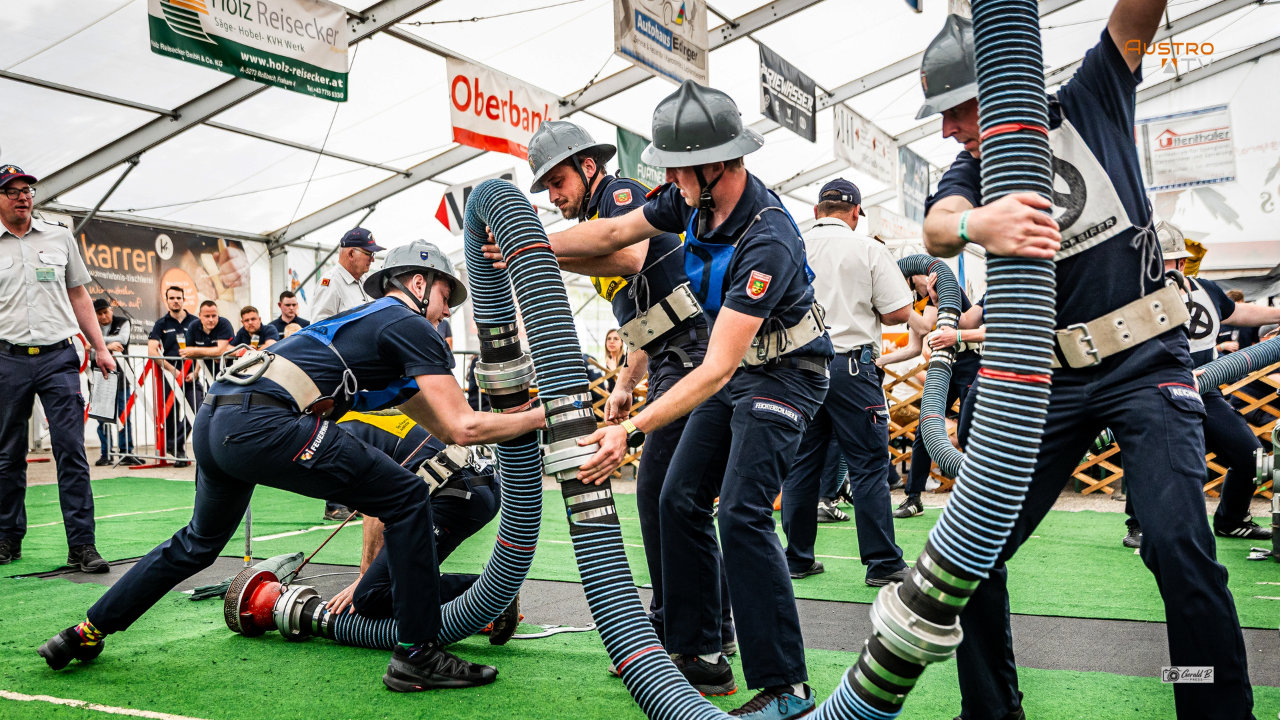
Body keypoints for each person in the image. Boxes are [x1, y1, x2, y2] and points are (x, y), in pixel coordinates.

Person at [917, 7, 1253, 718]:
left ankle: (1214, 707)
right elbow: (936, 228)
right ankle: (991, 710)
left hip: (1148, 364)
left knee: (1176, 545)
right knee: (969, 552)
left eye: (956, 108)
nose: (947, 128)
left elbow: (1141, 12)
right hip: (1050, 381)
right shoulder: (969, 167)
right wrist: (980, 223)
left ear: (1004, 82)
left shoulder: (1095, 91)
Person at [38, 239, 546, 691]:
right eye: (443, 298)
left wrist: (492, 433)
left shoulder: (365, 325)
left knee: (197, 542)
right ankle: (416, 655)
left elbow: (444, 427)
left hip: (217, 419)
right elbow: (464, 427)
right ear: (418, 283)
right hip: (265, 421)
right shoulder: (411, 324)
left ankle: (85, 632)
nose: (444, 314)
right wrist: (544, 415)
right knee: (407, 497)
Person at [544, 81, 833, 720]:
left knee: (744, 514)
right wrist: (530, 246)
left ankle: (787, 689)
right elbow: (615, 231)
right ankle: (698, 651)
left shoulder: (768, 239)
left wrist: (632, 426)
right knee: (675, 497)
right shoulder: (691, 201)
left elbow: (717, 366)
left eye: (678, 167)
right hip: (733, 371)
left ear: (716, 163)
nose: (668, 180)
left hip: (786, 375)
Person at [519, 118, 735, 682]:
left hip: (692, 353)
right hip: (671, 351)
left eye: (558, 180)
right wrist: (622, 381)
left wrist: (536, 251)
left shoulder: (618, 197)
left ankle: (688, 640)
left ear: (589, 167)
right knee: (669, 498)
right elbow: (649, 311)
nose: (553, 194)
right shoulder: (592, 221)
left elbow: (634, 258)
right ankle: (701, 629)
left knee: (670, 498)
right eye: (544, 189)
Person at [779, 178, 912, 587]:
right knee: (869, 465)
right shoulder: (868, 247)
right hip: (851, 367)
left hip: (798, 365)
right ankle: (882, 563)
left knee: (802, 465)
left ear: (818, 210)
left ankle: (797, 558)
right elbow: (898, 313)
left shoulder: (792, 244)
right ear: (855, 213)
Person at [1121, 221, 1277, 548]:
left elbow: (1240, 312)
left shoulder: (1206, 289)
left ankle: (1233, 521)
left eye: (1166, 260)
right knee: (1149, 456)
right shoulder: (1128, 293)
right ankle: (1139, 526)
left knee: (1249, 454)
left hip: (1205, 390)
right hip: (1154, 392)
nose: (1158, 267)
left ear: (1181, 262)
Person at [321, 410, 521, 645]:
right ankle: (480, 605)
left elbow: (376, 511)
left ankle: (493, 594)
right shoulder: (360, 417)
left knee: (370, 595)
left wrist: (364, 578)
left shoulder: (338, 437)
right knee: (409, 577)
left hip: (454, 494)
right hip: (481, 488)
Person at [0, 165, 115, 573]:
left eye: (27, 189)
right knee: (7, 454)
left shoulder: (59, 236)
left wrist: (99, 347)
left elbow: (79, 294)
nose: (22, 196)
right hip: (6, 359)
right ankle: (7, 539)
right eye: (11, 191)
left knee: (71, 451)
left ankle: (82, 546)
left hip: (58, 358)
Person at [879, 271, 983, 519]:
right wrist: (880, 360)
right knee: (925, 430)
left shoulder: (945, 285)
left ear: (913, 274)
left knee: (969, 430)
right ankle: (913, 497)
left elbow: (941, 328)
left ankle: (977, 497)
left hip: (969, 362)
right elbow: (917, 347)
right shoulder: (916, 301)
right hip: (944, 367)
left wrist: (933, 306)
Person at [312, 228, 383, 520]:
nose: (371, 259)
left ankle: (349, 497)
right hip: (339, 374)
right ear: (350, 252)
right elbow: (319, 326)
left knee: (355, 436)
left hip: (355, 373)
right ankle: (334, 502)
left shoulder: (359, 283)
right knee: (338, 435)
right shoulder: (332, 282)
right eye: (368, 253)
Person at [147, 285, 199, 467]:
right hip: (171, 375)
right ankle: (178, 451)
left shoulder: (195, 322)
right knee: (169, 415)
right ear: (167, 300)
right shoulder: (161, 324)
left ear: (184, 299)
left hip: (192, 374)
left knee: (197, 409)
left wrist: (196, 371)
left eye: (178, 298)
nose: (175, 301)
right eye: (172, 298)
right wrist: (172, 370)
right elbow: (152, 350)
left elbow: (201, 347)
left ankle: (175, 443)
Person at [92, 299, 139, 466]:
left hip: (121, 377)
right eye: (99, 313)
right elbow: (86, 347)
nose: (104, 316)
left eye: (106, 312)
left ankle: (126, 452)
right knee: (102, 418)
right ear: (94, 315)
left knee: (123, 416)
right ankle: (106, 454)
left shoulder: (123, 321)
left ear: (111, 310)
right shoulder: (90, 324)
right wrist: (107, 345)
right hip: (100, 377)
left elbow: (122, 340)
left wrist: (97, 342)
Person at [311, 228, 382, 321]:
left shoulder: (364, 279)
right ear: (351, 254)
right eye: (369, 254)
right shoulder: (331, 283)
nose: (373, 259)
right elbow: (319, 328)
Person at [181, 300, 234, 383]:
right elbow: (188, 352)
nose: (211, 319)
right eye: (207, 316)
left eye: (214, 316)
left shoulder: (224, 324)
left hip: (230, 374)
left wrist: (195, 351)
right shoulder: (193, 326)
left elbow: (220, 351)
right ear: (200, 316)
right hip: (209, 375)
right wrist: (195, 372)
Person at [1217, 289, 1259, 354]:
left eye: (1240, 306)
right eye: (1234, 307)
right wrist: (1223, 346)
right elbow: (1209, 352)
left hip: (1246, 361)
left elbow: (1257, 345)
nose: (1237, 310)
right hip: (1223, 362)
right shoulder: (1218, 324)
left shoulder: (1251, 323)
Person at [601, 329, 626, 393]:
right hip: (611, 397)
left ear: (621, 343)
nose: (611, 341)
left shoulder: (626, 360)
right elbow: (611, 384)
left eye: (616, 339)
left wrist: (614, 370)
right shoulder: (609, 360)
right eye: (609, 338)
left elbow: (626, 385)